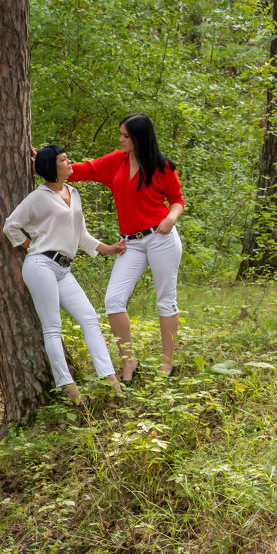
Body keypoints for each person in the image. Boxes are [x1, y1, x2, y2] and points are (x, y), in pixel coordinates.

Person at [3, 144, 126, 404]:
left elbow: (81, 235)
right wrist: (33, 246)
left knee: (90, 318)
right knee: (53, 328)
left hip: (64, 269)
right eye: (64, 159)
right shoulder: (38, 197)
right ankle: (69, 388)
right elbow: (11, 226)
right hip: (40, 266)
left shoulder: (73, 192)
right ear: (52, 166)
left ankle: (110, 380)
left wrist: (109, 248)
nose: (70, 162)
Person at [69, 113, 185, 381]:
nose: (120, 139)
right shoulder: (116, 161)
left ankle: (168, 363)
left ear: (139, 138)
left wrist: (170, 218)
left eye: (125, 136)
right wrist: (46, 162)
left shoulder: (162, 167)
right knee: (113, 300)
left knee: (165, 300)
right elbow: (82, 170)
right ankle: (129, 362)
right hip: (130, 242)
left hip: (161, 237)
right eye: (120, 134)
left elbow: (177, 200)